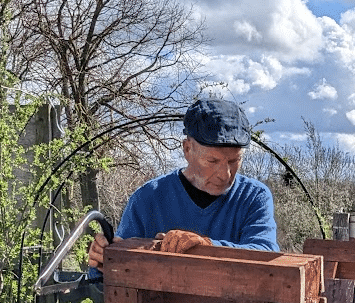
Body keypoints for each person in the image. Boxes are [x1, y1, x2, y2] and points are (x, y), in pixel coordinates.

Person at [88, 96, 278, 271]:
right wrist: (103, 259)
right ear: (187, 149)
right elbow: (118, 269)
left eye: (233, 161)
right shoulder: (148, 198)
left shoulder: (254, 196)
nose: (225, 174)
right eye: (212, 161)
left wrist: (206, 247)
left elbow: (266, 252)